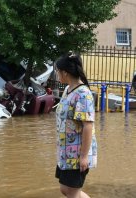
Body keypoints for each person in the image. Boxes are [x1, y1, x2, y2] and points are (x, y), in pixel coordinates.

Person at [54, 52, 97, 198]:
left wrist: (83, 156)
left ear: (64, 73)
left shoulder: (83, 94)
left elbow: (88, 126)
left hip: (77, 153)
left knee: (71, 191)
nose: (57, 74)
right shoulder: (68, 90)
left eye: (57, 71)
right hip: (66, 152)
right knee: (66, 189)